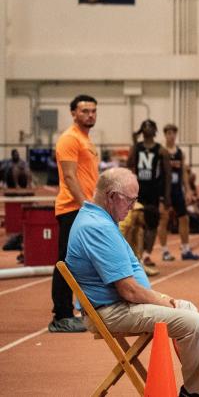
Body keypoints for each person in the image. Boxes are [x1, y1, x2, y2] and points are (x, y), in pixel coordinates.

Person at [65, 168, 199, 397]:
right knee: (194, 323)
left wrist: (161, 299)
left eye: (135, 200)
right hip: (111, 311)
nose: (132, 207)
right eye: (129, 201)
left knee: (188, 309)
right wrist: (161, 300)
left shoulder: (99, 218)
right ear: (111, 196)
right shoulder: (97, 227)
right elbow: (128, 290)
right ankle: (195, 393)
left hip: (119, 304)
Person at [49, 94, 100, 333]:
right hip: (72, 209)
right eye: (85, 111)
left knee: (82, 262)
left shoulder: (86, 140)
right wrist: (86, 207)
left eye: (93, 111)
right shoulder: (69, 139)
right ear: (73, 113)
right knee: (66, 263)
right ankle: (61, 315)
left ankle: (82, 309)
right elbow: (69, 177)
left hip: (83, 209)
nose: (90, 115)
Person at [123, 120, 171, 275]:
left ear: (155, 130)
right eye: (145, 126)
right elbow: (129, 165)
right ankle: (135, 256)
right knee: (134, 222)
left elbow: (168, 175)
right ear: (141, 130)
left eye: (151, 126)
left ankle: (146, 254)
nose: (148, 129)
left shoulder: (161, 150)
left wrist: (167, 196)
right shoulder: (136, 148)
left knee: (152, 223)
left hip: (154, 191)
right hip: (138, 190)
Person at [159, 123, 199, 261]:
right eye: (169, 133)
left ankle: (185, 250)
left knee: (184, 218)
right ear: (165, 135)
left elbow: (183, 172)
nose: (171, 136)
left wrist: (188, 190)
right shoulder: (161, 151)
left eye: (173, 133)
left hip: (177, 189)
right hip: (164, 190)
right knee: (164, 219)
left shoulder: (179, 153)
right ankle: (165, 251)